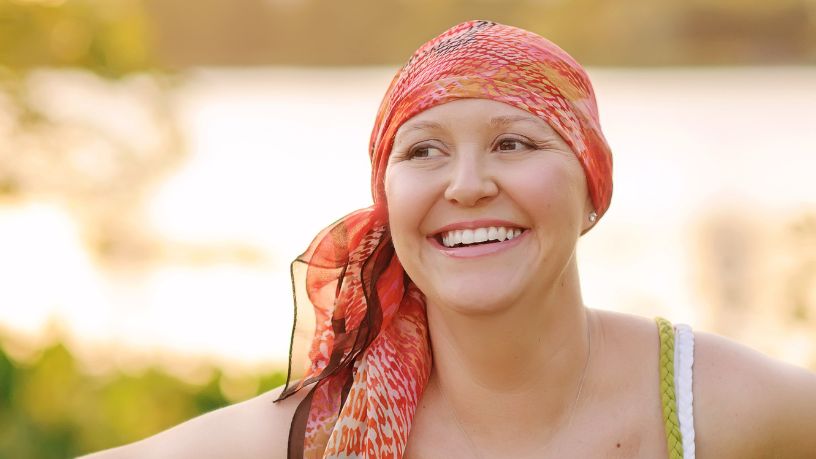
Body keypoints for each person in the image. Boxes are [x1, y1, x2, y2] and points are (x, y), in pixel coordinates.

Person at [82, 20, 816, 459]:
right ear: (388, 200)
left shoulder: (701, 403)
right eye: (424, 150)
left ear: (592, 186)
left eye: (515, 143)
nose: (465, 184)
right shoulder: (323, 428)